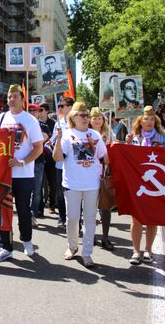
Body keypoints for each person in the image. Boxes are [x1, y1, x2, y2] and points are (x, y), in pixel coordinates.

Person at [0, 84, 43, 263]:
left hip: (24, 175)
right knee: (3, 212)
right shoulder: (1, 118)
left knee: (23, 211)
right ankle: (5, 247)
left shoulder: (30, 120)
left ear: (22, 99)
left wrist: (22, 162)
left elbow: (38, 148)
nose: (11, 100)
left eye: (15, 97)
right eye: (9, 97)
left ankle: (27, 240)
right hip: (4, 175)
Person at [53, 102, 108, 268]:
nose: (85, 118)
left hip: (92, 184)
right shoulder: (67, 135)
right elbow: (57, 158)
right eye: (82, 115)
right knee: (73, 218)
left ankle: (87, 253)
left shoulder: (95, 135)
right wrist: (58, 139)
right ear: (73, 118)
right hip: (72, 184)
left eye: (87, 115)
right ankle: (72, 246)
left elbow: (104, 157)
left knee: (90, 219)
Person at [126, 106, 165, 265]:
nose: (149, 121)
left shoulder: (164, 138)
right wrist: (128, 144)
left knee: (152, 218)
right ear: (140, 121)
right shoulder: (133, 138)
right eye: (146, 118)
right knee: (136, 219)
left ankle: (149, 250)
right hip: (137, 184)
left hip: (156, 184)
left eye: (152, 119)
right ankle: (136, 251)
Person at [89, 107, 116, 250]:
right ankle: (91, 235)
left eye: (100, 118)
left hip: (104, 172)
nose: (97, 121)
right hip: (89, 173)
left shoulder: (108, 133)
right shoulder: (85, 133)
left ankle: (105, 237)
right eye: (95, 118)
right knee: (90, 207)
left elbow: (114, 148)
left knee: (105, 207)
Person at [51, 97, 74, 227]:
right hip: (60, 164)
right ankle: (62, 217)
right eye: (59, 106)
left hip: (74, 165)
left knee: (73, 193)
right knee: (60, 193)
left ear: (70, 107)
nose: (60, 108)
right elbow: (53, 141)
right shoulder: (58, 123)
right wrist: (58, 137)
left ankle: (74, 218)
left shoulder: (77, 124)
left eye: (62, 106)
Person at [28, 104, 49, 225]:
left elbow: (42, 139)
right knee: (24, 191)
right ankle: (24, 214)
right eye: (29, 110)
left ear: (38, 112)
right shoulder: (22, 124)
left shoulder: (43, 126)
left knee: (36, 191)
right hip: (24, 162)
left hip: (38, 162)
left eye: (34, 110)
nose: (32, 112)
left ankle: (32, 215)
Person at [36, 102, 55, 218]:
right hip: (38, 156)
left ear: (47, 111)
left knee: (52, 182)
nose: (39, 111)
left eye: (41, 109)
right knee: (39, 183)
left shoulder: (53, 123)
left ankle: (52, 204)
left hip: (50, 156)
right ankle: (40, 208)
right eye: (38, 109)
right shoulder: (35, 123)